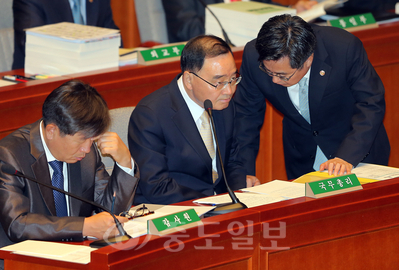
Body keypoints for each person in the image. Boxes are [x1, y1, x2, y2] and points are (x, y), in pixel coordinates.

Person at [0, 79, 139, 269]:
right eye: (82, 140)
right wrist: (84, 226)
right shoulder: (10, 154)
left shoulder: (86, 153)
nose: (87, 148)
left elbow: (108, 210)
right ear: (51, 131)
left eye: (93, 140)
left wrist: (124, 164)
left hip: (78, 256)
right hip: (26, 261)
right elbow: (17, 224)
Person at [234, 14, 390, 180]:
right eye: (269, 72)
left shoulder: (343, 47)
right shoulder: (253, 56)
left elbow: (371, 103)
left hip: (356, 154)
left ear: (308, 60)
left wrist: (346, 157)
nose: (274, 80)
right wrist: (243, 172)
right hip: (302, 158)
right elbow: (246, 117)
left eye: (282, 75)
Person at [128, 35, 259, 205]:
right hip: (171, 209)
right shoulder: (151, 114)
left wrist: (239, 191)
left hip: (218, 206)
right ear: (189, 79)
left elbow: (233, 162)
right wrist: (212, 203)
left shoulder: (223, 104)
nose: (229, 90)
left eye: (233, 79)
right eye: (219, 82)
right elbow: (157, 186)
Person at [12, 0, 119, 70]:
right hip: (43, 82)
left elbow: (115, 42)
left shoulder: (99, 2)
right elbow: (32, 42)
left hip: (94, 78)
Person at [161, 0, 317, 43]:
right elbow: (186, 29)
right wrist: (236, 16)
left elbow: (263, 6)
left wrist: (292, 9)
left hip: (257, 47)